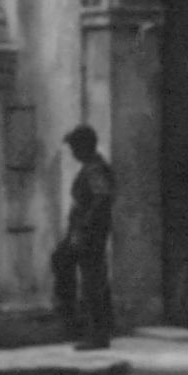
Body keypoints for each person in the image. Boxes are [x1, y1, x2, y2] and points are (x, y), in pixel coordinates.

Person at [51, 124, 118, 350]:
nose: (72, 152)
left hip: (89, 233)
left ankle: (96, 333)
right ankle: (83, 323)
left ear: (84, 147)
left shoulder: (94, 170)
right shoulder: (92, 168)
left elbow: (102, 198)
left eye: (74, 147)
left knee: (92, 281)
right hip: (85, 231)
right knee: (64, 260)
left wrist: (84, 228)